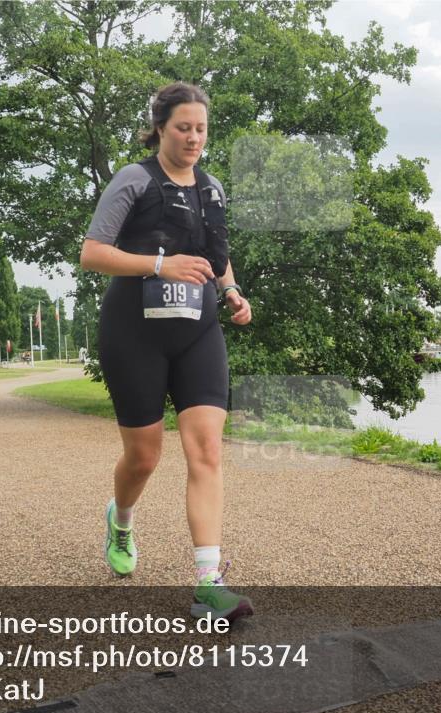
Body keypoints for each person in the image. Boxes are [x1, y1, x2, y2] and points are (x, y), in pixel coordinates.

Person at [80, 82, 253, 623]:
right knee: (146, 456)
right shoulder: (134, 180)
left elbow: (213, 254)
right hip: (135, 332)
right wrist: (160, 265)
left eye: (201, 128)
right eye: (183, 127)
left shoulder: (213, 188)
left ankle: (208, 584)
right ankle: (122, 518)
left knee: (206, 450)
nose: (193, 138)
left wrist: (230, 291)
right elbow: (92, 254)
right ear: (160, 127)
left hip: (198, 329)